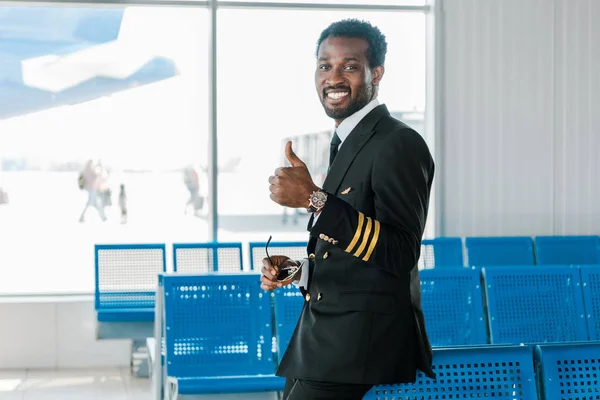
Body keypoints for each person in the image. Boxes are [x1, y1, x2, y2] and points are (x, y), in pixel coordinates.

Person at [262, 19, 436, 399]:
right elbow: (350, 241)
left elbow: (401, 251)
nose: (334, 77)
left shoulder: (398, 143)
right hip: (324, 334)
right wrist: (300, 270)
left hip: (360, 341)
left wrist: (313, 199)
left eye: (350, 66)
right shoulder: (348, 140)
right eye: (325, 65)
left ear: (376, 74)